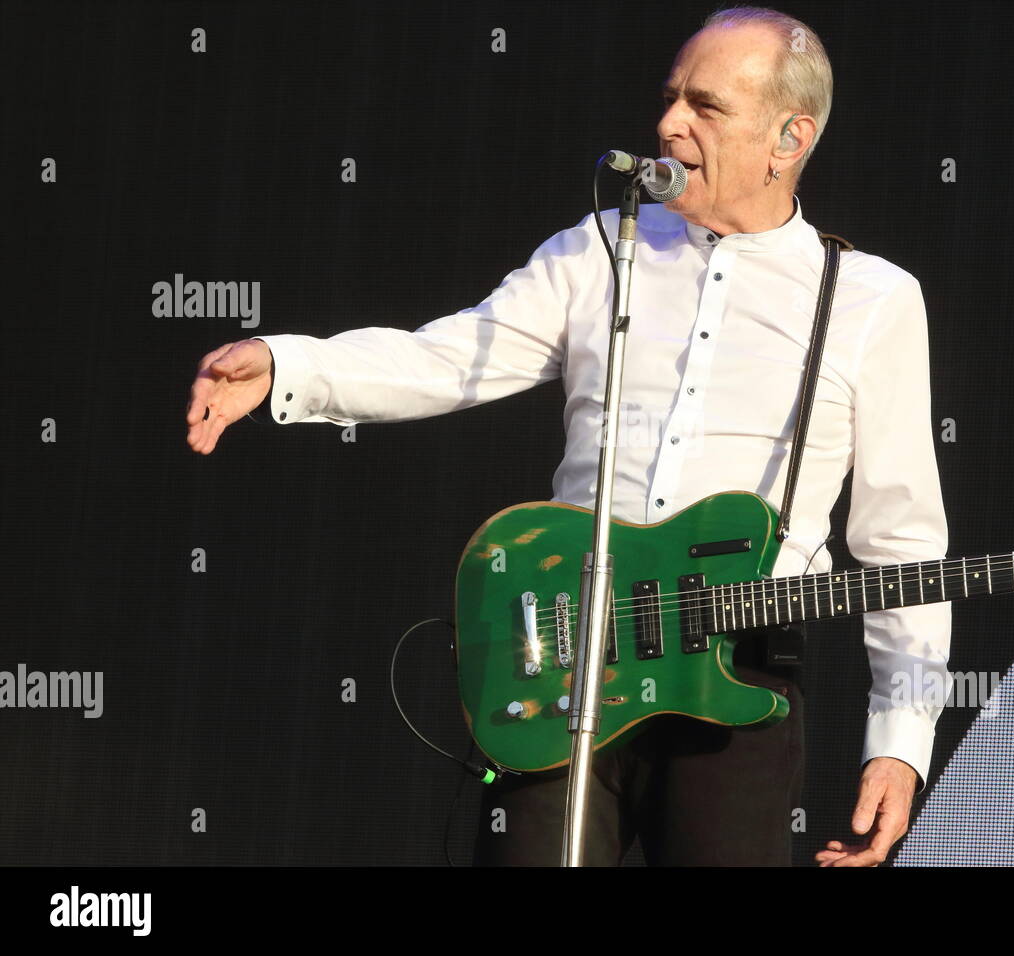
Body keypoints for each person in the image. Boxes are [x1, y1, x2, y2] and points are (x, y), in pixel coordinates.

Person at [185, 6, 951, 867]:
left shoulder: (871, 300)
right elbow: (450, 358)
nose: (668, 124)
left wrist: (901, 734)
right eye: (670, 98)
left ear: (788, 137)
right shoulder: (602, 248)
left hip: (737, 673)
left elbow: (901, 541)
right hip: (565, 653)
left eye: (705, 106)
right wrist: (288, 366)